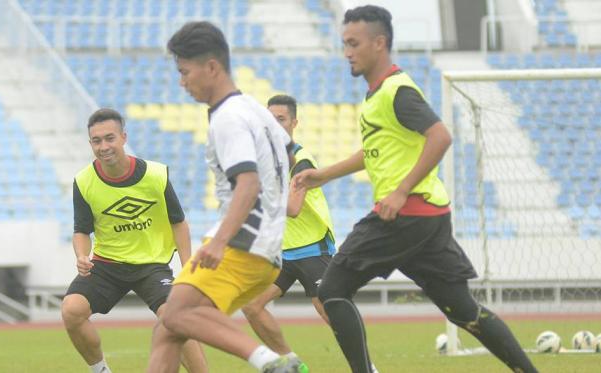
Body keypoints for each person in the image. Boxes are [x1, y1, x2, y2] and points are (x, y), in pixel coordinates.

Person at [293, 5, 538, 373]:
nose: (347, 52)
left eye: (353, 43)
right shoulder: (377, 96)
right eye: (344, 43)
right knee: (463, 310)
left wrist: (401, 191)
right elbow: (375, 152)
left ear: (379, 43)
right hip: (427, 219)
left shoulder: (396, 90)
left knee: (330, 290)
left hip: (402, 216)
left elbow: (440, 136)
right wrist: (324, 174)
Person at [147, 22, 301, 373]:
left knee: (175, 313)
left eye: (185, 72)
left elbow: (247, 182)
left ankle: (270, 362)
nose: (182, 82)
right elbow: (289, 155)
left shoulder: (227, 118)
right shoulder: (255, 108)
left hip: (241, 245)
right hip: (266, 248)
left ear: (212, 67)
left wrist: (219, 242)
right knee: (169, 328)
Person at [61, 108, 207, 373]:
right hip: (107, 264)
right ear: (90, 143)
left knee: (174, 317)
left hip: (152, 264)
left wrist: (187, 267)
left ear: (123, 137)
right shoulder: (83, 182)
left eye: (109, 138)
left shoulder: (155, 175)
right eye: (97, 141)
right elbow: (81, 230)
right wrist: (81, 255)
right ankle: (101, 370)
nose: (104, 146)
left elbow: (179, 222)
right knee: (71, 310)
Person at [242, 95, 335, 372]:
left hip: (312, 248)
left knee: (332, 313)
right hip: (281, 252)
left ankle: (368, 367)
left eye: (281, 119)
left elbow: (293, 208)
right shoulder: (263, 160)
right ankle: (291, 364)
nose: (274, 125)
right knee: (252, 306)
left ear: (294, 122)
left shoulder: (302, 159)